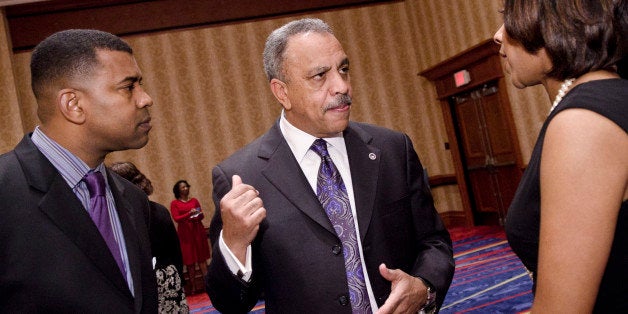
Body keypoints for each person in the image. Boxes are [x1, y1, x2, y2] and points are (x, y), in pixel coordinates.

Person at [207, 18, 454, 313]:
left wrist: (424, 286)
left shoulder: (392, 150)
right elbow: (229, 303)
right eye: (320, 76)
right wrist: (234, 244)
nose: (341, 86)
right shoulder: (242, 176)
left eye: (343, 69)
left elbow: (434, 242)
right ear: (281, 92)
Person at [0, 29, 157, 312]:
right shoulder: (5, 191)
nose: (145, 99)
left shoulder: (134, 200)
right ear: (73, 105)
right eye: (129, 86)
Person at [494, 0, 627, 312]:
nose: (497, 36)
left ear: (550, 26)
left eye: (509, 20)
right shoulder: (601, 98)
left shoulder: (583, 120)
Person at [109, 162, 189, 314]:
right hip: (168, 276)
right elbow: (175, 250)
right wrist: (177, 278)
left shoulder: (119, 217)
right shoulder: (159, 209)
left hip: (141, 282)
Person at [170, 180, 211, 294]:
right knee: (190, 262)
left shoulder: (194, 201)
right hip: (185, 234)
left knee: (202, 259)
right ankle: (193, 287)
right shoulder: (175, 203)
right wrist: (189, 213)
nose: (186, 188)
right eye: (183, 187)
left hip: (198, 230)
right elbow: (176, 218)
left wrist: (197, 214)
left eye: (186, 186)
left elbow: (201, 216)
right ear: (178, 190)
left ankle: (207, 284)